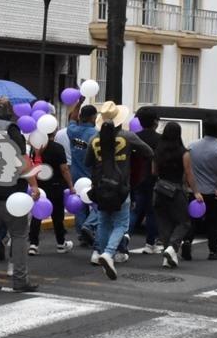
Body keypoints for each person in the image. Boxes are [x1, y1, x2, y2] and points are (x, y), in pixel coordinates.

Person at [0, 97, 40, 293]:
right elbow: (23, 162)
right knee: (19, 235)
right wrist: (35, 186)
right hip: (12, 193)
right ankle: (20, 281)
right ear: (8, 110)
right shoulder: (11, 129)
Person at [86, 102, 153, 281]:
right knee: (121, 225)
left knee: (104, 222)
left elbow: (88, 162)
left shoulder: (94, 140)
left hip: (100, 187)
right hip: (121, 186)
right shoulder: (127, 136)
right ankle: (108, 253)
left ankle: (99, 251)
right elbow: (148, 152)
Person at [152, 122, 203, 268]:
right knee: (184, 222)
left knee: (164, 223)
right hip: (176, 190)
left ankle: (168, 257)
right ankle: (172, 248)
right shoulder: (184, 152)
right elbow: (189, 174)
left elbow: (153, 172)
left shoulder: (158, 150)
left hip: (159, 189)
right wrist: (196, 191)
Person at [188, 116, 217, 261]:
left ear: (204, 129)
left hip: (195, 191)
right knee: (213, 222)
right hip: (214, 192)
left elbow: (187, 169)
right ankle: (213, 251)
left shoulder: (192, 146)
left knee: (192, 220)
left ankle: (186, 245)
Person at [28, 128, 75, 255]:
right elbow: (64, 169)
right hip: (56, 184)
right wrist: (71, 186)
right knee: (57, 215)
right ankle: (60, 243)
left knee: (37, 214)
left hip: (41, 185)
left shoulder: (36, 148)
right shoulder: (58, 148)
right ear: (53, 132)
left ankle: (33, 244)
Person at [123, 111, 162, 257]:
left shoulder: (134, 137)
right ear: (155, 122)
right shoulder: (160, 139)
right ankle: (150, 243)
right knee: (152, 212)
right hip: (153, 179)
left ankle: (126, 236)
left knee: (134, 210)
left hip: (136, 178)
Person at [68, 104, 100, 253]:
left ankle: (81, 234)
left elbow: (72, 117)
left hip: (75, 173)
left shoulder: (72, 131)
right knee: (96, 203)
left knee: (79, 205)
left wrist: (78, 103)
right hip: (91, 173)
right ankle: (90, 226)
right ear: (93, 117)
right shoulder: (95, 134)